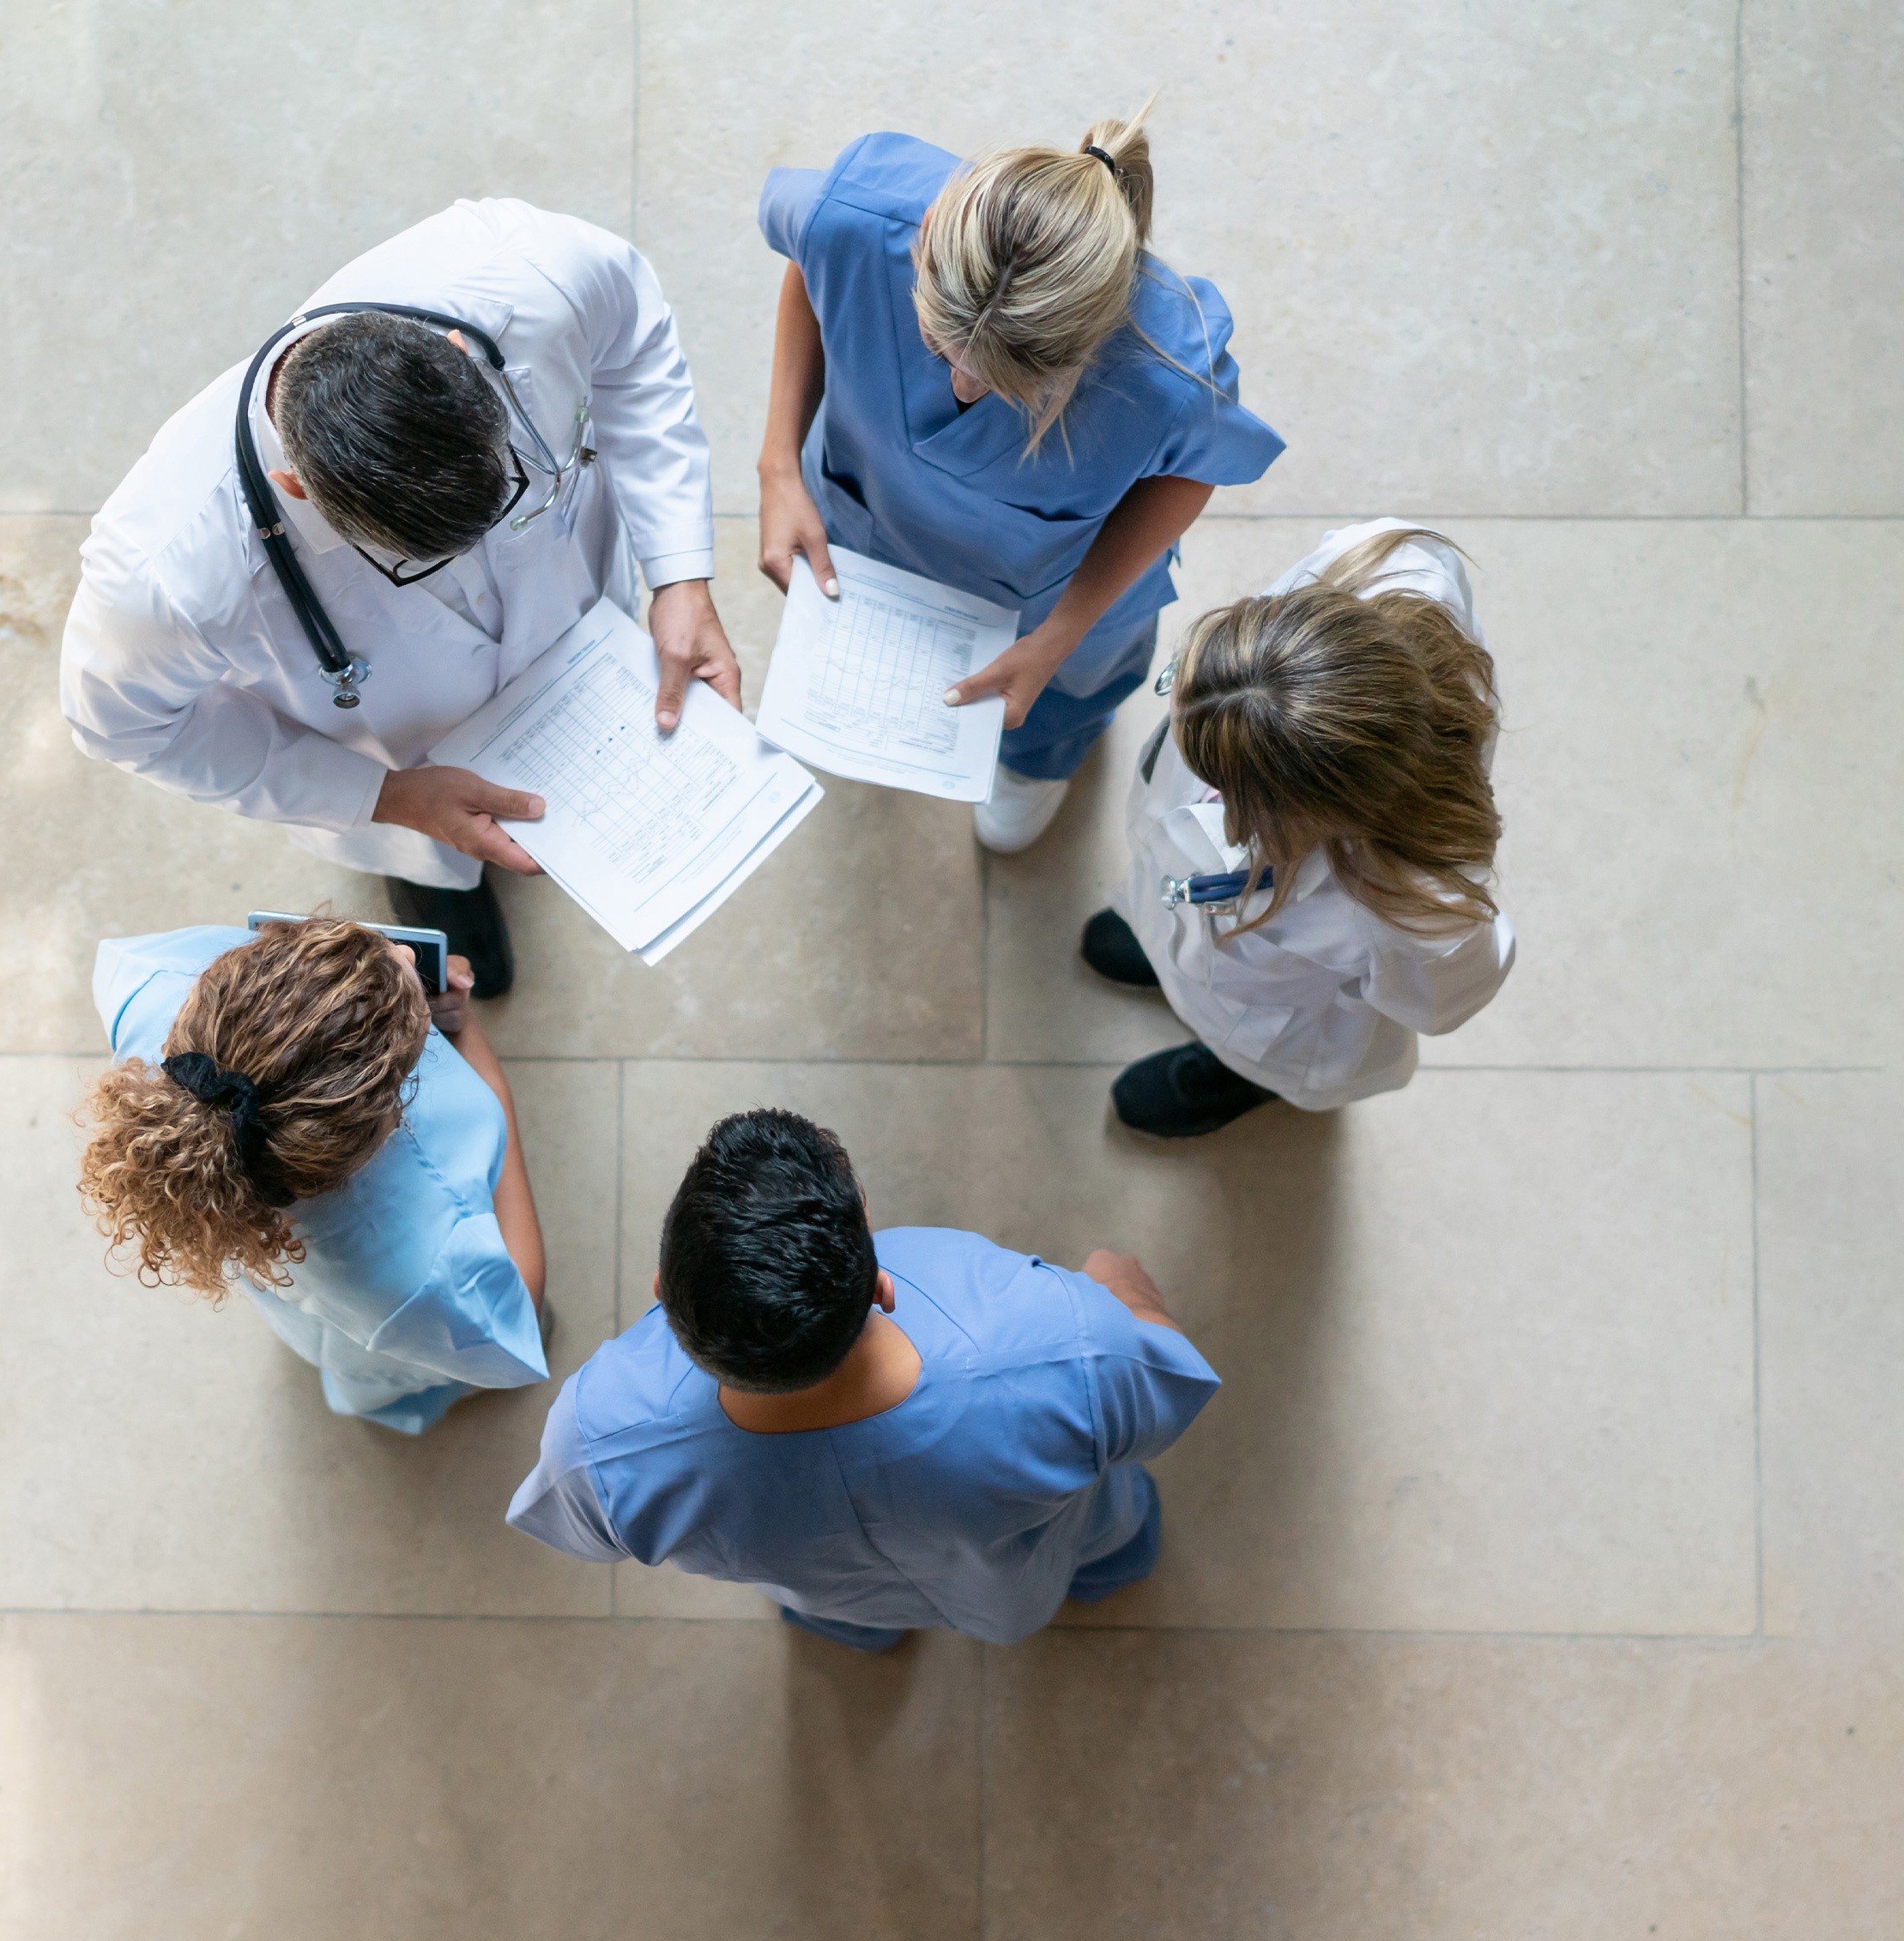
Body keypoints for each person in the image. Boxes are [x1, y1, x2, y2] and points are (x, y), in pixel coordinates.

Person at [62, 202, 742, 997]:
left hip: (577, 634)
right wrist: (384, 796)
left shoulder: (527, 273)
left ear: (462, 357)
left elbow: (636, 340)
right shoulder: (163, 576)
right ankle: (440, 890)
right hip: (401, 759)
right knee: (440, 869)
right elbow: (121, 726)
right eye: (417, 561)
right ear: (296, 489)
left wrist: (680, 571)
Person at [753, 107, 1285, 852]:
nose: (965, 389)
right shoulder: (856, 218)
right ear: (927, 236)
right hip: (867, 510)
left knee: (1058, 703)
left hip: (1060, 598)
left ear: (1098, 344)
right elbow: (813, 267)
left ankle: (1038, 763)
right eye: (939, 346)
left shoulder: (1168, 371)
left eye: (1010, 381)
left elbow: (1192, 475)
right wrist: (779, 466)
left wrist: (1059, 638)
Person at [506, 1109, 1218, 1647]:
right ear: (881, 1285)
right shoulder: (1068, 1349)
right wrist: (1126, 1297)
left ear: (664, 1290)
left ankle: (867, 1638)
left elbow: (575, 1529)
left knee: (846, 1618)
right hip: (1013, 1589)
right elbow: (1167, 1396)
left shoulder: (597, 1444)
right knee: (1103, 1540)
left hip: (836, 1595)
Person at [1082, 518, 1516, 1136]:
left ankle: (1235, 1076)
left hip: (1267, 1019)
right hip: (1194, 895)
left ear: (1291, 813)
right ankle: (1165, 947)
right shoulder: (1384, 566)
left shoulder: (1421, 910)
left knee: (1251, 1035)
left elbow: (1440, 1001)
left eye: (1220, 787)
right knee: (1171, 902)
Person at [82, 913, 548, 1434]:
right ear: (384, 1126)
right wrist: (483, 1070)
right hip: (382, 1318)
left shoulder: (152, 985)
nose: (407, 954)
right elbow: (516, 1309)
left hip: (305, 1292)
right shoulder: (423, 1271)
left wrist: (344, 978)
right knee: (411, 1366)